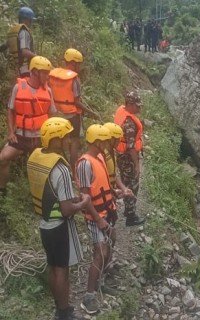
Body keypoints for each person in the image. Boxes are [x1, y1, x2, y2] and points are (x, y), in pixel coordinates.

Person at [27, 117, 91, 320]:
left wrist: (71, 198)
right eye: (65, 137)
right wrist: (82, 203)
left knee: (52, 266)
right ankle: (64, 313)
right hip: (58, 226)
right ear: (55, 140)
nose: (68, 141)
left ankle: (58, 305)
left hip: (44, 223)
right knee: (62, 268)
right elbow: (65, 210)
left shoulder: (36, 157)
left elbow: (51, 193)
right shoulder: (61, 169)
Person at [76, 124, 117, 315]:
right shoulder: (85, 163)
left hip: (106, 211)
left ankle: (103, 281)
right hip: (95, 217)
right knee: (99, 252)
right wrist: (98, 220)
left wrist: (117, 193)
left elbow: (102, 186)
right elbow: (85, 197)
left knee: (111, 242)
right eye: (106, 140)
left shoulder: (99, 157)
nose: (109, 143)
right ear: (98, 141)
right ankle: (89, 296)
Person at [0, 56, 56, 195]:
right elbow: (11, 110)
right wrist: (11, 132)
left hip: (40, 138)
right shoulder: (18, 88)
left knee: (47, 166)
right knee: (3, 158)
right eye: (45, 72)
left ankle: (44, 193)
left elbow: (52, 116)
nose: (47, 76)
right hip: (21, 136)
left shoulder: (48, 91)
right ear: (35, 72)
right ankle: (2, 189)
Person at [49, 48, 100, 169]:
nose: (79, 67)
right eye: (79, 64)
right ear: (73, 62)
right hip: (72, 116)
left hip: (57, 114)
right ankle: (73, 169)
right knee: (74, 142)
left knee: (58, 143)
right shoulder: (74, 79)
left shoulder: (53, 74)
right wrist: (92, 113)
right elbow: (76, 102)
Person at [114, 92, 145, 226]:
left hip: (121, 156)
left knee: (126, 181)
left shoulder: (121, 110)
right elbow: (131, 148)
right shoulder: (130, 124)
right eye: (137, 106)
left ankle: (128, 210)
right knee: (132, 185)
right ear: (130, 105)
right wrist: (137, 164)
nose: (139, 108)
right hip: (128, 158)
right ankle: (131, 216)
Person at [7, 6, 36, 77]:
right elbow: (24, 51)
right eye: (30, 20)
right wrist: (36, 57)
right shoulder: (24, 32)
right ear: (26, 20)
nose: (31, 23)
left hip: (15, 68)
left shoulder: (14, 31)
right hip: (25, 68)